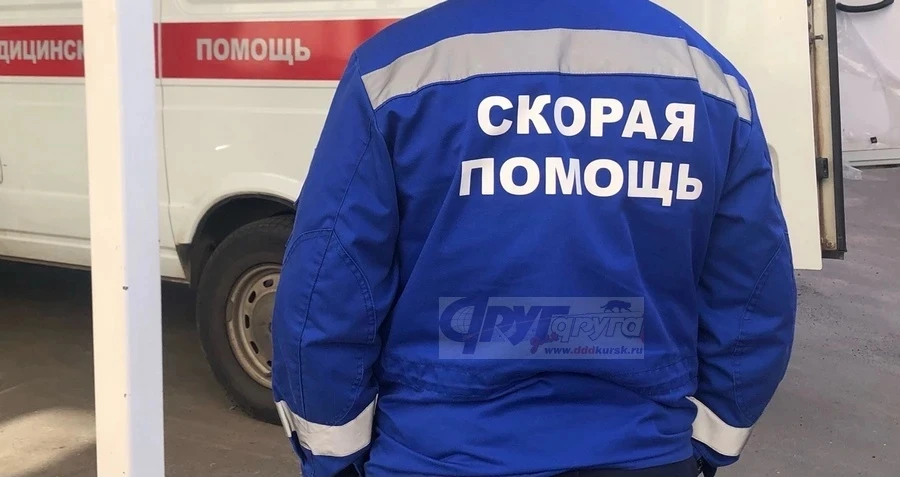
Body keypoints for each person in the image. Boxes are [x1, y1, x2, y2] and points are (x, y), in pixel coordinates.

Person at [270, 0, 798, 476]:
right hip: (644, 447)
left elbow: (326, 285)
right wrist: (708, 442)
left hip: (440, 451)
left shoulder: (393, 71)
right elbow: (753, 291)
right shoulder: (709, 80)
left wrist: (332, 451)